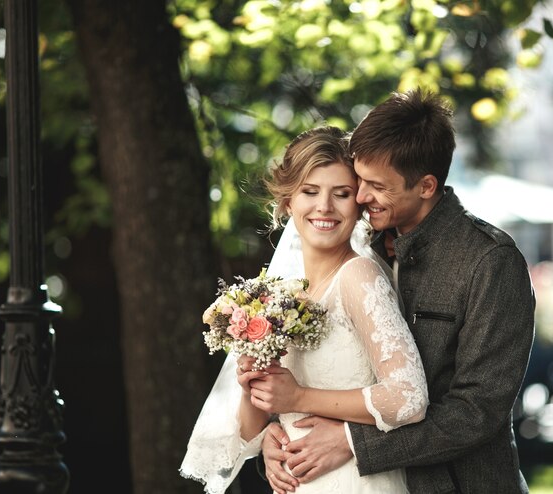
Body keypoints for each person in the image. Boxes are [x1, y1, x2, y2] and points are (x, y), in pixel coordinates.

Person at [261, 89, 536, 494]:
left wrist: (353, 442)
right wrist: (277, 434)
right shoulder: (358, 244)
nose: (359, 196)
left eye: (375, 185)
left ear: (425, 186)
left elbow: (476, 412)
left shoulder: (490, 262)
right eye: (359, 180)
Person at [180, 126, 429, 493]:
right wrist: (263, 414)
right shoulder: (281, 297)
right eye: (310, 192)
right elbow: (249, 432)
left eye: (341, 194)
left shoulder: (357, 276)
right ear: (287, 201)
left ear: (358, 203)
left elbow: (409, 397)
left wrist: (298, 398)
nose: (324, 207)